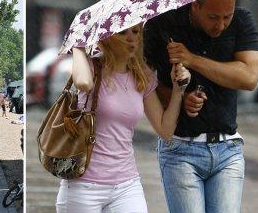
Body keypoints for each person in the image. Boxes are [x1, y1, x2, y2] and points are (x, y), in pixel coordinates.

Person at [144, 0, 258, 213]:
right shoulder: (164, 25)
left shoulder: (242, 21)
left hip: (228, 149)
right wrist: (179, 98)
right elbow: (147, 86)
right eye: (213, 17)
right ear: (195, 5)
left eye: (227, 16)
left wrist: (192, 59)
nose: (220, 25)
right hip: (180, 149)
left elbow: (249, 77)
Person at [56, 24, 190, 213]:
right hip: (84, 185)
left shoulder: (142, 76)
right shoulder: (92, 67)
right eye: (122, 32)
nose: (131, 38)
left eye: (135, 32)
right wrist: (78, 44)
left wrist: (178, 91)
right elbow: (83, 83)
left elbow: (165, 130)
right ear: (107, 36)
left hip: (127, 185)